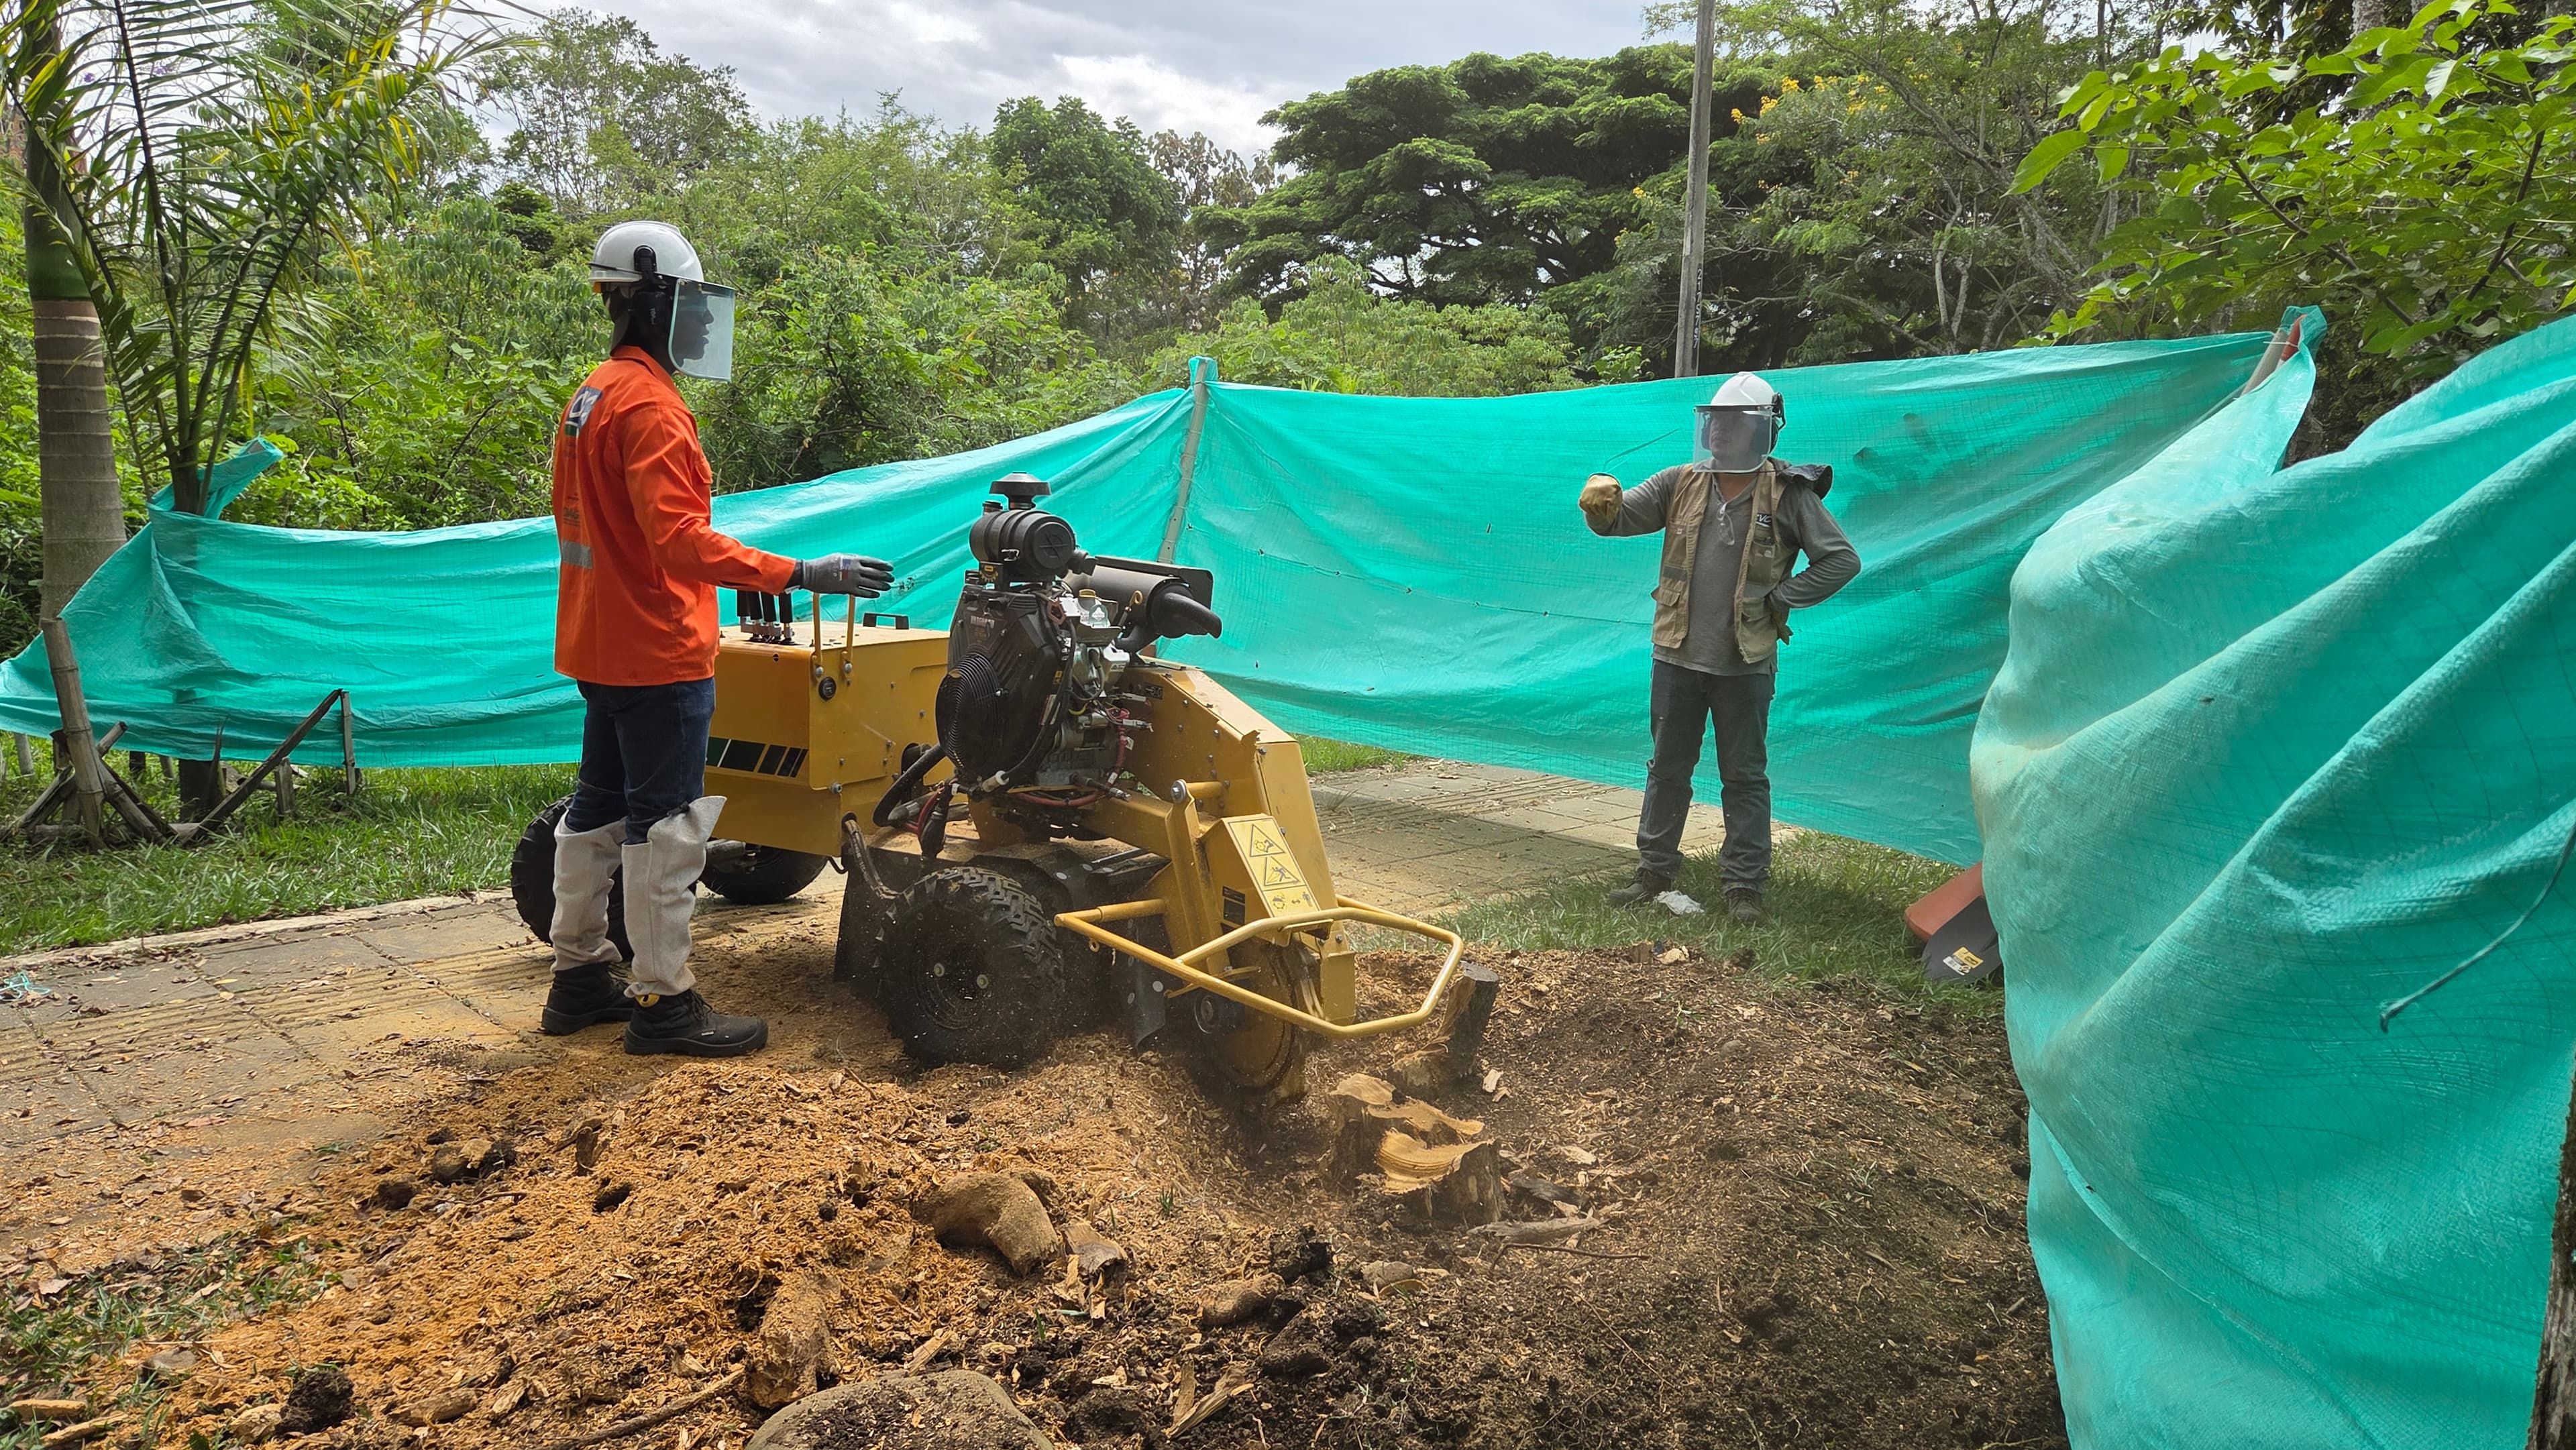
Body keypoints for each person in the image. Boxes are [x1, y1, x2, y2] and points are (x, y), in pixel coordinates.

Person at [541, 220, 895, 1057]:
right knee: (665, 826)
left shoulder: (592, 395)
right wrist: (800, 571)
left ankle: (578, 975)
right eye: (693, 306)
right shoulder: (653, 408)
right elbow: (678, 543)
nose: (704, 324)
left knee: (596, 808)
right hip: (657, 650)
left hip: (600, 642)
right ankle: (664, 1002)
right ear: (654, 301)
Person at [1578, 372, 1860, 924]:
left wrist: (1781, 598)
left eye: (1733, 424)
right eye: (1714, 422)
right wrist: (1600, 503)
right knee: (1667, 768)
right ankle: (1654, 873)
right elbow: (1618, 522)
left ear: (1761, 431)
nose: (1719, 433)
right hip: (1676, 656)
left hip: (1745, 660)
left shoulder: (1789, 493)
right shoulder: (1680, 481)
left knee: (1744, 776)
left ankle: (1744, 890)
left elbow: (1841, 560)